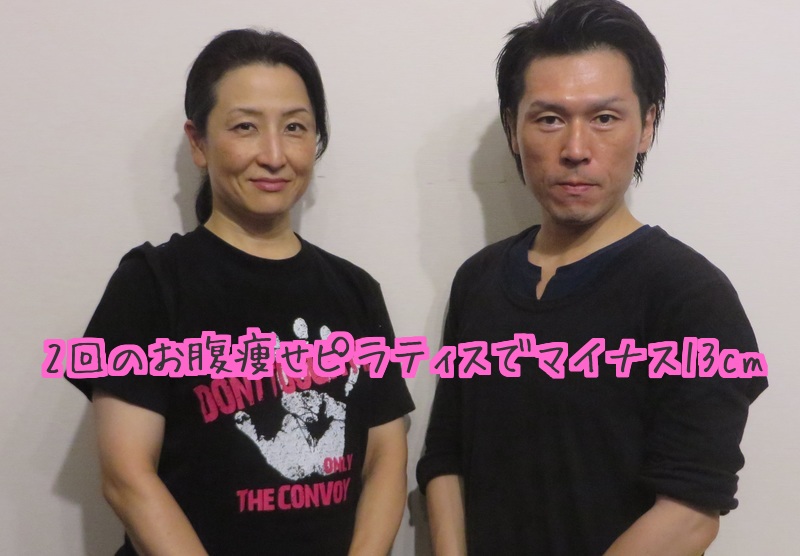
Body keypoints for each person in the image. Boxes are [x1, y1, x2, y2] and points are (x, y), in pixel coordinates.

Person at [416, 0, 767, 554]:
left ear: (646, 125)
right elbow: (446, 457)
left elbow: (690, 512)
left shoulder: (692, 295)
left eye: (604, 118)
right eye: (549, 119)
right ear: (513, 129)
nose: (575, 150)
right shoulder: (478, 281)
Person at [68, 29, 414, 555]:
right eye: (245, 127)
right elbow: (126, 477)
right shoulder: (151, 283)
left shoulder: (355, 290)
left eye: (295, 127)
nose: (273, 155)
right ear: (199, 142)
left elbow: (386, 456)